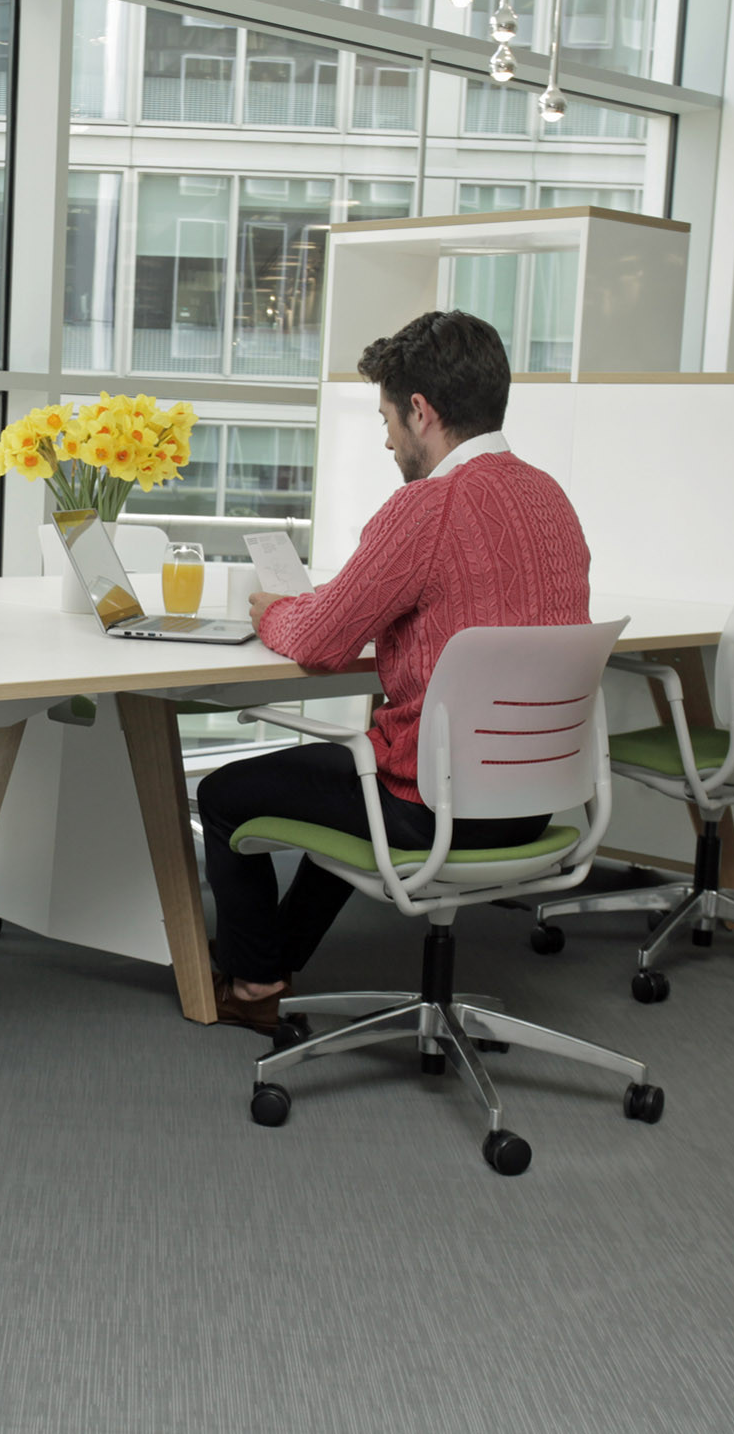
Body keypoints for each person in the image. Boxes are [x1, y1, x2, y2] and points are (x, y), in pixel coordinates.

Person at [198, 309, 592, 1034]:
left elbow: (318, 643)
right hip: (531, 802)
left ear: (421, 410)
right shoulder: (550, 500)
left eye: (387, 419)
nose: (385, 440)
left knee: (227, 795)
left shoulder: (429, 505)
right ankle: (275, 958)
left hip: (435, 806)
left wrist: (271, 612)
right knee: (349, 781)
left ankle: (253, 985)